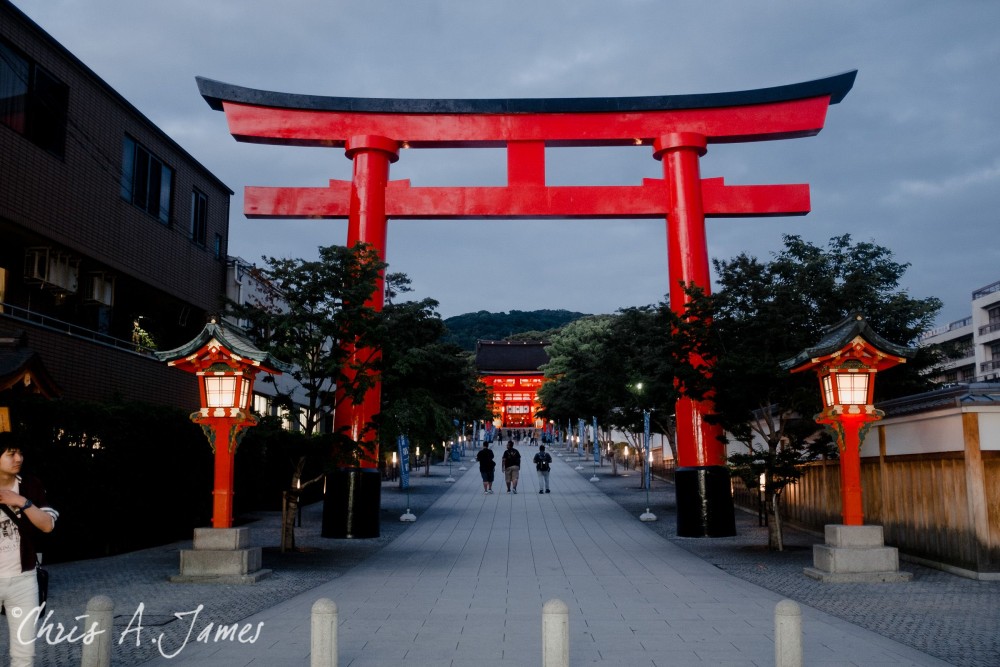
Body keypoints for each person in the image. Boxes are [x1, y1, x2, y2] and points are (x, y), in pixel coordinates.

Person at [0, 434, 58, 667]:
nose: (18, 458)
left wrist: (20, 500)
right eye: (10, 453)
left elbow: (47, 525)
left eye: (20, 453)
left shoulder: (30, 485)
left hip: (23, 580)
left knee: (24, 655)